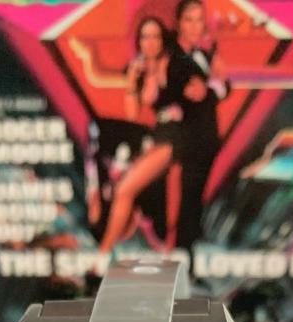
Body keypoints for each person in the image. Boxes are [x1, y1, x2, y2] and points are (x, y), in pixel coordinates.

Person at [98, 16, 186, 253]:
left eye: (155, 36)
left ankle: (102, 254)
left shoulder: (171, 63)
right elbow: (133, 114)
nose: (150, 42)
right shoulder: (139, 68)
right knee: (125, 189)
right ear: (138, 41)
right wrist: (131, 80)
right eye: (145, 37)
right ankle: (112, 249)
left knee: (124, 189)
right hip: (159, 136)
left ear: (162, 39)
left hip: (177, 136)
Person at [172, 0, 229, 250]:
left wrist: (215, 82)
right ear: (178, 23)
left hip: (207, 139)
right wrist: (215, 83)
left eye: (199, 20)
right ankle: (184, 248)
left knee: (197, 196)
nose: (196, 26)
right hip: (188, 141)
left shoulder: (205, 54)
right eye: (189, 20)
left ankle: (192, 241)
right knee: (188, 196)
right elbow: (198, 94)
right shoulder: (174, 57)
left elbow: (225, 87)